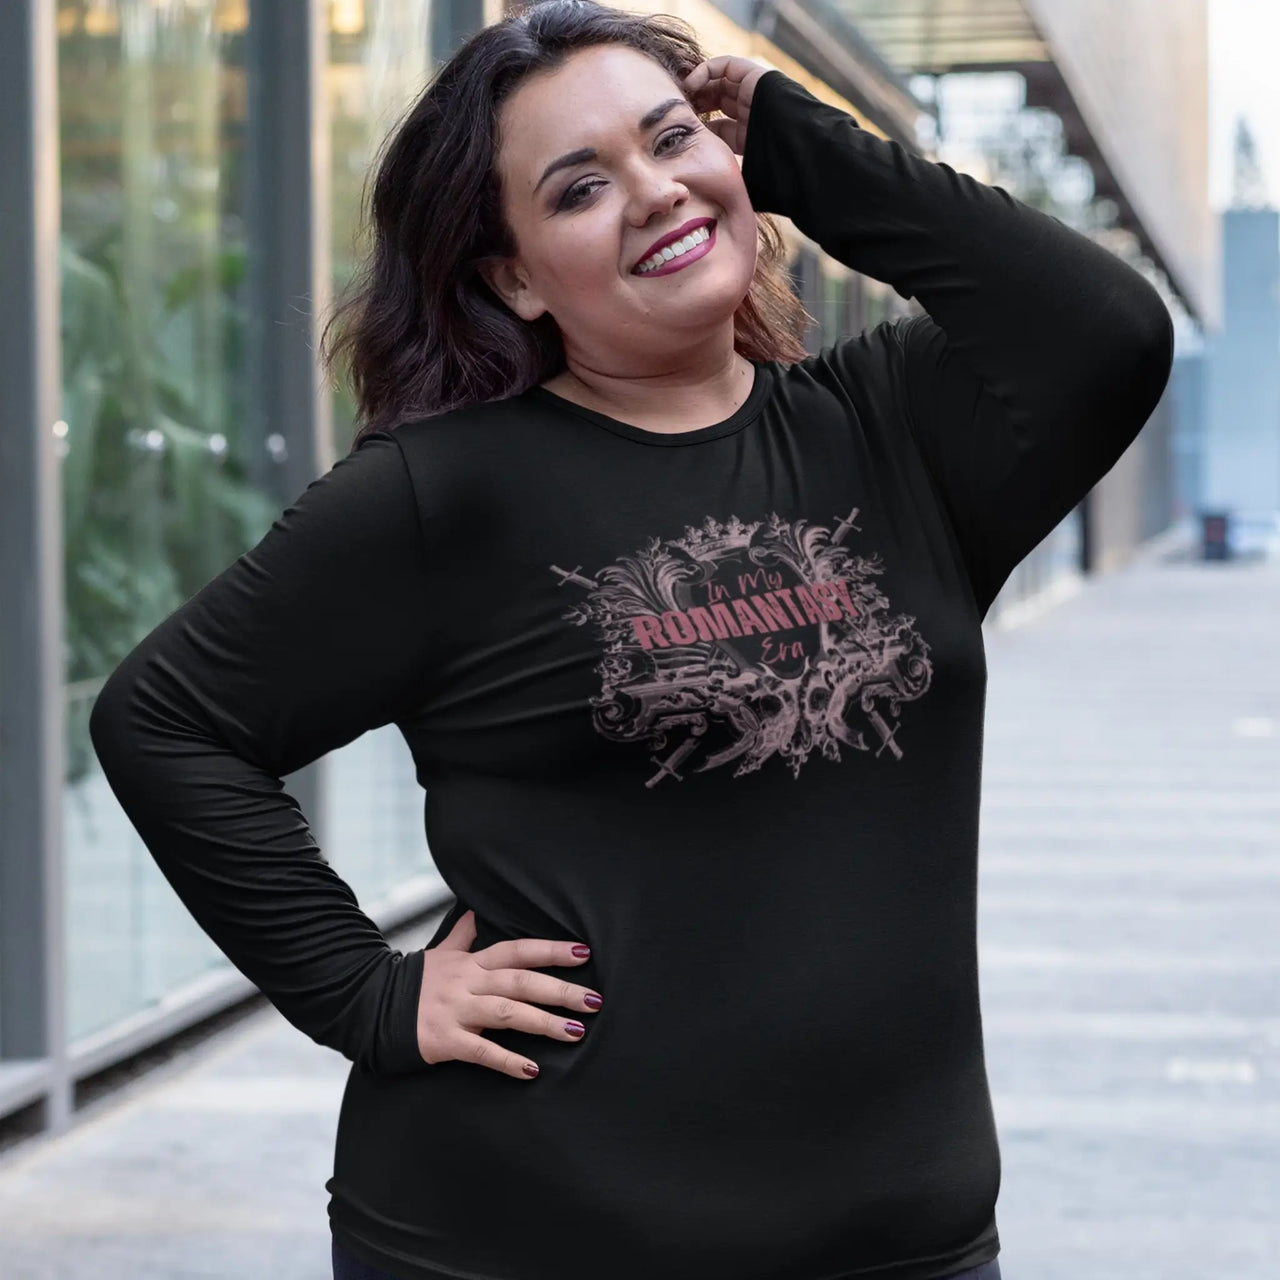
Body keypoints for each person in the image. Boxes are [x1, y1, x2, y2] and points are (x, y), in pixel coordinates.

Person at [88, 2, 1175, 1278]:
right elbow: (164, 721)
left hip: (898, 1238)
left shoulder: (894, 427)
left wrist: (796, 141)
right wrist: (367, 993)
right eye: (579, 188)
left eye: (674, 140)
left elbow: (1104, 330)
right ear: (511, 275)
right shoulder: (447, 493)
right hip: (523, 1234)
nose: (654, 193)